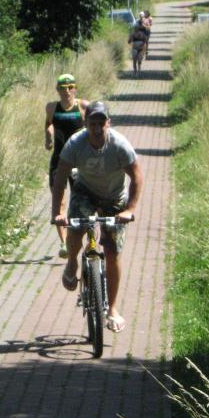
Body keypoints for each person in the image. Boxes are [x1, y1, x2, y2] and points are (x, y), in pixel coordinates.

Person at [51, 101, 144, 333]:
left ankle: (112, 308)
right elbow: (60, 178)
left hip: (114, 198)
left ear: (108, 123)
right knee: (76, 228)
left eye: (101, 123)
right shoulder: (75, 144)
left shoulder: (119, 145)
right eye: (92, 123)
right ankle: (72, 262)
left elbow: (137, 177)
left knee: (112, 252)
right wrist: (57, 213)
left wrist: (129, 209)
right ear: (86, 124)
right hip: (85, 193)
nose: (97, 128)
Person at [44, 73, 88, 258]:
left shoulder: (83, 106)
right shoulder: (52, 107)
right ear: (57, 90)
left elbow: (94, 128)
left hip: (79, 161)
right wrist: (48, 136)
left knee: (81, 202)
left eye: (70, 87)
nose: (67, 91)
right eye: (63, 88)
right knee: (59, 201)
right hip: (59, 160)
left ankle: (80, 238)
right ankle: (64, 243)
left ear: (75, 89)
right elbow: (48, 123)